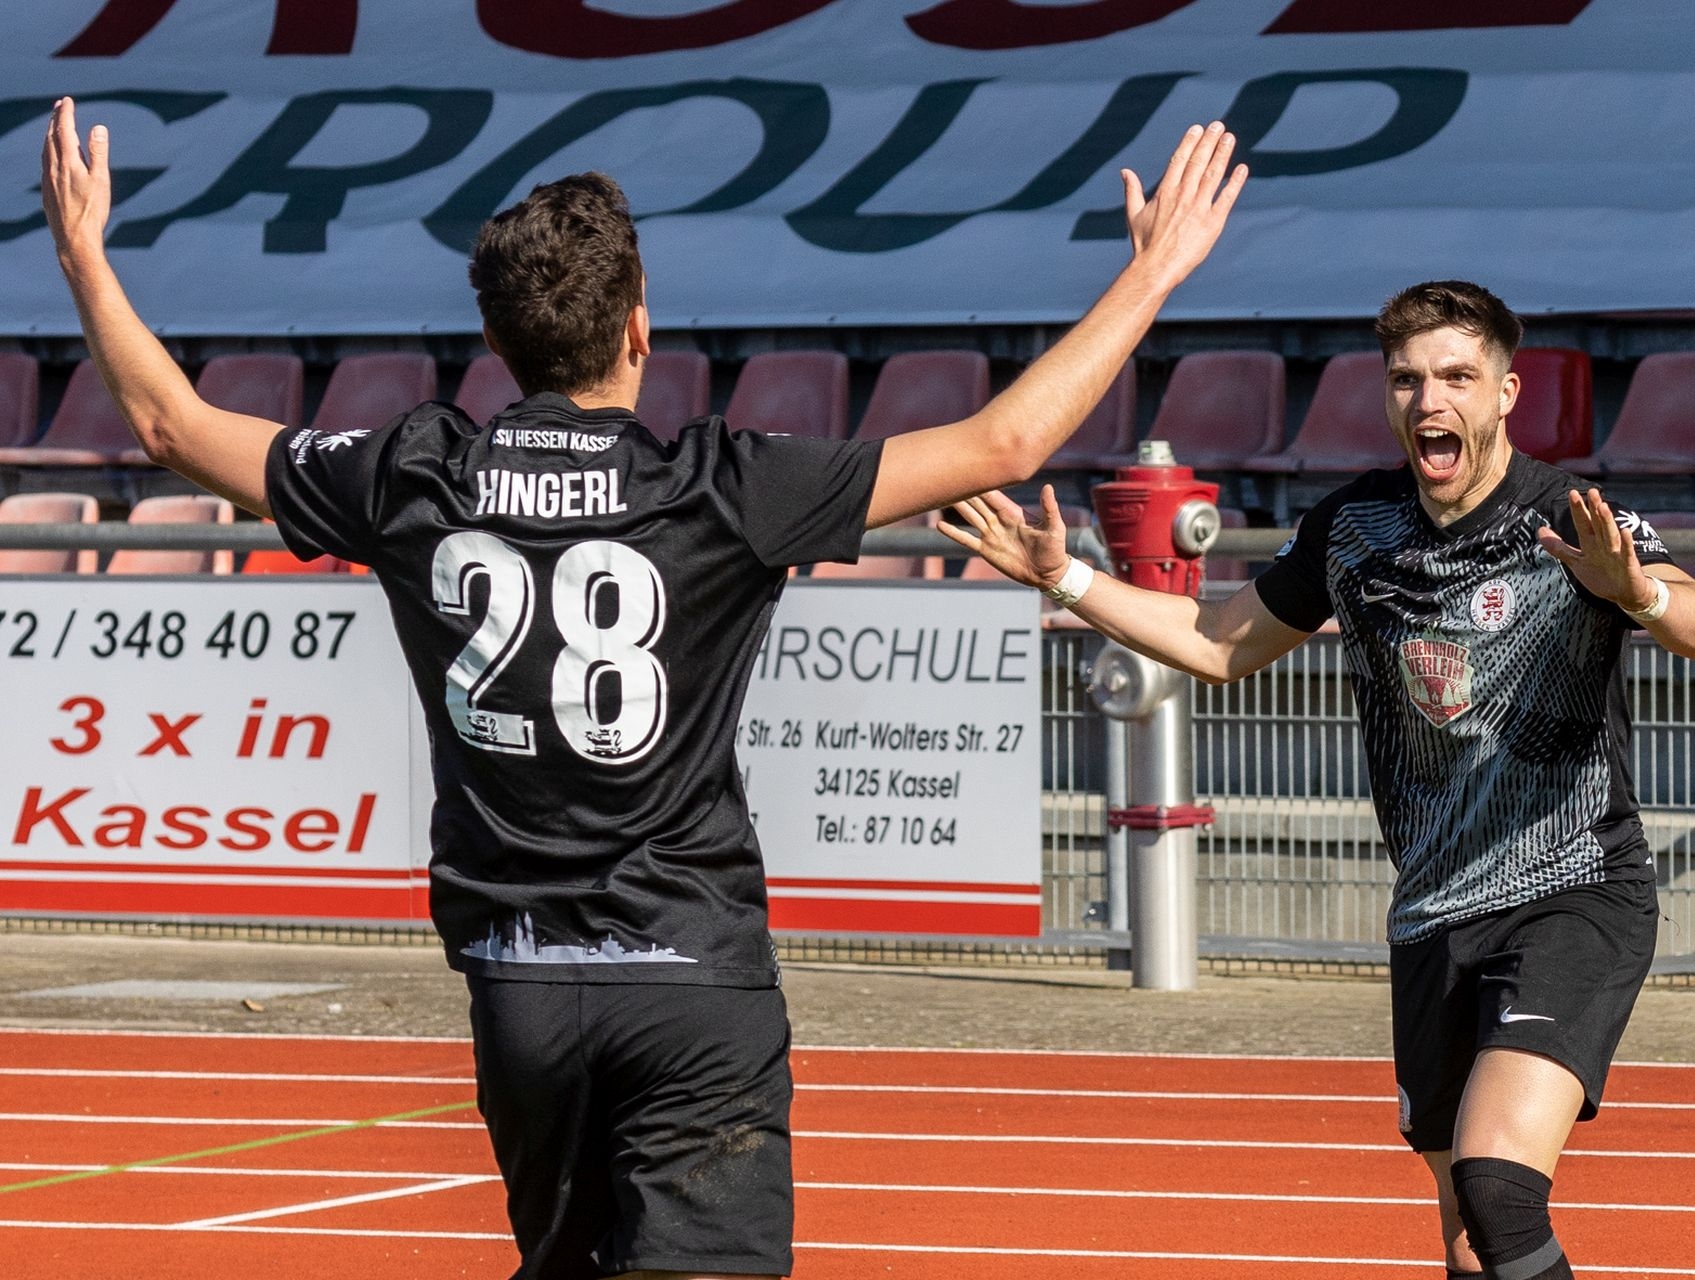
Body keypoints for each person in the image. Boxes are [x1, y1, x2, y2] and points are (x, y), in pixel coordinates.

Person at [39, 95, 1244, 1280]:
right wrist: (1153, 274)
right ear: (638, 330)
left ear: (498, 346)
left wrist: (84, 253)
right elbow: (1003, 445)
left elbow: (168, 422)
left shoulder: (414, 469)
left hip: (518, 982)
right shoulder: (724, 483)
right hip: (691, 976)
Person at [943, 279, 1695, 1278]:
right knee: (1464, 1231)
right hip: (1434, 911)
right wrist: (1065, 577)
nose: (1429, 401)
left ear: (1504, 393)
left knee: (1499, 1183)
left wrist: (1640, 590)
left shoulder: (1570, 519)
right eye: (1407, 380)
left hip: (1572, 890)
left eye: (1456, 376)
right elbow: (1217, 643)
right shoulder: (1354, 528)